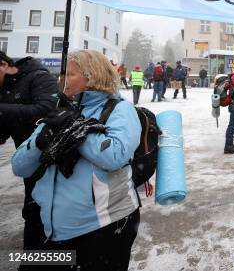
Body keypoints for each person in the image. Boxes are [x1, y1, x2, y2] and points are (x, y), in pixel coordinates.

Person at [12, 50, 141, 271]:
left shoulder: (120, 109)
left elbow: (115, 156)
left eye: (71, 74)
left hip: (104, 227)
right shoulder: (60, 111)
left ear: (92, 77)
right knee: (27, 264)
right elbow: (19, 167)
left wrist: (76, 130)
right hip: (49, 228)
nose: (62, 79)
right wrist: (40, 143)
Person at [0, 51, 58, 267]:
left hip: (52, 159)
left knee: (44, 212)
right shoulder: (3, 89)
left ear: (4, 64)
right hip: (28, 161)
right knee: (33, 212)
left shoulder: (39, 77)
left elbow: (45, 110)